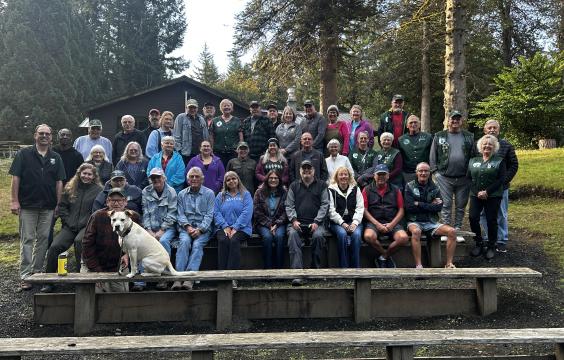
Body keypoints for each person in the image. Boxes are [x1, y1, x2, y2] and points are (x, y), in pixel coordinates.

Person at [9, 124, 65, 290]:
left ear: (51, 137)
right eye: (41, 133)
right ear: (35, 135)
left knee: (42, 240)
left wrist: (58, 203)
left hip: (48, 206)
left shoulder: (56, 157)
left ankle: (37, 272)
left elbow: (59, 182)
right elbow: (16, 178)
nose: (44, 136)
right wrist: (14, 200)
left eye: (47, 134)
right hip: (27, 205)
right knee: (27, 240)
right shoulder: (23, 154)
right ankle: (25, 275)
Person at [41, 163, 102, 292]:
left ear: (94, 176)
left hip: (87, 226)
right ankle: (49, 280)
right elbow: (62, 207)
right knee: (55, 246)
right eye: (84, 173)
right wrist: (67, 221)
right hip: (69, 226)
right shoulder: (70, 187)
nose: (86, 176)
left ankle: (81, 277)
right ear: (79, 173)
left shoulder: (98, 190)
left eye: (89, 174)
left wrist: (88, 222)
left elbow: (98, 210)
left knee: (80, 242)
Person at [82, 188, 140, 293]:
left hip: (117, 266)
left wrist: (127, 254)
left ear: (125, 201)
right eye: (113, 200)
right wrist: (96, 270)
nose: (116, 203)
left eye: (120, 200)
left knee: (121, 295)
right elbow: (87, 244)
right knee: (94, 294)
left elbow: (138, 241)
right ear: (107, 202)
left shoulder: (133, 217)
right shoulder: (97, 216)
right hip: (93, 264)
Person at [429, 110, 476, 234]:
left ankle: (457, 229)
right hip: (444, 177)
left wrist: (471, 173)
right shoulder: (439, 136)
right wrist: (435, 172)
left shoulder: (469, 136)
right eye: (452, 119)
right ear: (447, 121)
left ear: (461, 121)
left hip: (464, 177)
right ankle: (446, 229)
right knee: (446, 204)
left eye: (457, 119)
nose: (455, 121)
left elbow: (474, 155)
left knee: (461, 205)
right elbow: (433, 154)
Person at [404, 162, 457, 269]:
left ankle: (449, 264)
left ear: (430, 173)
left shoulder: (435, 187)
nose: (423, 173)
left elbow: (438, 207)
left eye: (426, 171)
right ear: (416, 172)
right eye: (421, 171)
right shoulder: (409, 186)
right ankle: (419, 265)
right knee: (416, 232)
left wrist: (418, 203)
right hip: (414, 221)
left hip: (431, 221)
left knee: (452, 231)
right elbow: (409, 207)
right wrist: (429, 205)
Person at [285, 160, 329, 285]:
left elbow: (325, 204)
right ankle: (297, 274)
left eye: (309, 169)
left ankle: (315, 271)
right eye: (303, 169)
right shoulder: (293, 186)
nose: (306, 171)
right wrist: (293, 220)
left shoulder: (322, 185)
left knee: (319, 236)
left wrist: (317, 221)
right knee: (292, 236)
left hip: (317, 223)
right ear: (300, 171)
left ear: (314, 171)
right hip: (297, 223)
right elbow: (289, 205)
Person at [479, 120, 519, 253]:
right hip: (483, 188)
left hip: (502, 188)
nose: (492, 130)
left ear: (499, 130)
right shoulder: (479, 145)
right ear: (485, 130)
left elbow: (513, 165)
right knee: (483, 213)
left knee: (501, 214)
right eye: (489, 128)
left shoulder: (506, 145)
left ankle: (501, 240)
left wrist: (504, 180)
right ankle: (487, 237)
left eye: (494, 128)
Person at [467, 134, 506, 260]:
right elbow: (468, 178)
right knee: (473, 217)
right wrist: (477, 191)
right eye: (485, 143)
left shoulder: (499, 161)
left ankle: (491, 245)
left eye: (490, 144)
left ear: (494, 147)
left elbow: (501, 179)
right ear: (480, 146)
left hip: (493, 195)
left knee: (491, 220)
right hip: (475, 194)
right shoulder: (473, 161)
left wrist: (487, 192)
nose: (487, 146)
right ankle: (478, 242)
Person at [176, 167, 215, 290]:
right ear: (187, 179)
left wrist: (200, 229)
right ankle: (178, 278)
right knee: (184, 242)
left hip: (203, 229)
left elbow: (210, 215)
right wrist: (187, 227)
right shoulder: (181, 194)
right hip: (185, 228)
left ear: (202, 179)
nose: (194, 179)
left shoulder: (209, 193)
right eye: (191, 176)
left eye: (197, 176)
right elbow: (180, 214)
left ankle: (189, 279)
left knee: (197, 245)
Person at [362, 164, 409, 268]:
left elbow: (401, 210)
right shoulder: (367, 189)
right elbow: (364, 210)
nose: (381, 177)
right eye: (379, 174)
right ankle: (385, 255)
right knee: (368, 236)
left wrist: (392, 225)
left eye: (384, 175)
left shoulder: (396, 190)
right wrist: (377, 224)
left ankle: (383, 257)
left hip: (392, 221)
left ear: (388, 176)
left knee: (403, 238)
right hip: (374, 222)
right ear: (374, 176)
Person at [139, 168, 178, 291]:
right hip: (150, 227)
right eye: (153, 178)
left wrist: (162, 230)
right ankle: (140, 281)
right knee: (142, 242)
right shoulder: (146, 191)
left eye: (158, 177)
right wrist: (149, 230)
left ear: (163, 178)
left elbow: (172, 213)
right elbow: (145, 212)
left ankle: (164, 279)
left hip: (167, 227)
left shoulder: (171, 191)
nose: (156, 180)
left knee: (163, 241)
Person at [214, 171, 253, 287]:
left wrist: (236, 227)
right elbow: (216, 212)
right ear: (225, 182)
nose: (231, 181)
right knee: (223, 240)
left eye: (233, 178)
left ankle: (232, 277)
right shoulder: (220, 196)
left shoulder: (245, 194)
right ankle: (222, 275)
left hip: (242, 228)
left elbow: (247, 212)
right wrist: (225, 226)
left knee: (234, 240)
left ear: (238, 179)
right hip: (223, 227)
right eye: (228, 180)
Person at [327, 166, 364, 268]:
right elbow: (331, 210)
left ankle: (355, 268)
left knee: (356, 235)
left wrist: (355, 223)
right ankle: (344, 267)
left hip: (354, 221)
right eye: (341, 174)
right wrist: (342, 223)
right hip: (337, 223)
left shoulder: (356, 189)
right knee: (342, 234)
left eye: (345, 174)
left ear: (349, 176)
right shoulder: (331, 190)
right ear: (337, 177)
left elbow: (360, 208)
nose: (343, 176)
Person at [253, 170, 288, 269]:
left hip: (279, 223)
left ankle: (279, 268)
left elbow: (286, 211)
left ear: (279, 180)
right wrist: (269, 225)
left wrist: (276, 224)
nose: (273, 180)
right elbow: (257, 212)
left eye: (276, 178)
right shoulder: (259, 192)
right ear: (267, 179)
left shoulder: (284, 192)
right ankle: (268, 269)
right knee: (267, 238)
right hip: (263, 223)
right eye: (271, 178)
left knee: (279, 237)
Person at [398, 115, 432, 184]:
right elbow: (399, 157)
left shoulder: (428, 137)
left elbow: (433, 154)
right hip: (408, 173)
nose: (413, 124)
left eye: (415, 122)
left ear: (419, 124)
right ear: (407, 125)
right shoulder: (401, 139)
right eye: (411, 123)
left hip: (424, 173)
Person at [174, 98, 209, 164]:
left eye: (194, 107)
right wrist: (179, 151)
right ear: (186, 107)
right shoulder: (181, 117)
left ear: (197, 108)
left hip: (200, 153)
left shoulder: (201, 119)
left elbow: (206, 136)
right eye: (190, 107)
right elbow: (176, 135)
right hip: (186, 154)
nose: (192, 109)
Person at [210, 99, 241, 166]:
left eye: (228, 105)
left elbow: (240, 135)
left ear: (232, 108)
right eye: (224, 106)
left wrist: (240, 148)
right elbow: (211, 135)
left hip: (233, 152)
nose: (227, 107)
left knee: (232, 172)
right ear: (221, 108)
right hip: (218, 152)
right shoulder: (215, 120)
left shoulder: (237, 120)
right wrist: (211, 149)